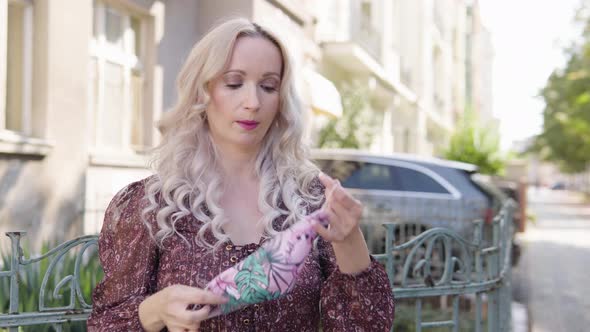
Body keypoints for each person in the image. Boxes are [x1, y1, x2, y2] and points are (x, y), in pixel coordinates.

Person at [87, 17, 395, 332]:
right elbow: (105, 324)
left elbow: (365, 325)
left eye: (268, 86)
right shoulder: (150, 205)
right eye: (234, 83)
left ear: (281, 100)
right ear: (201, 92)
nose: (253, 103)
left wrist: (349, 240)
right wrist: (154, 311)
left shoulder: (312, 200)